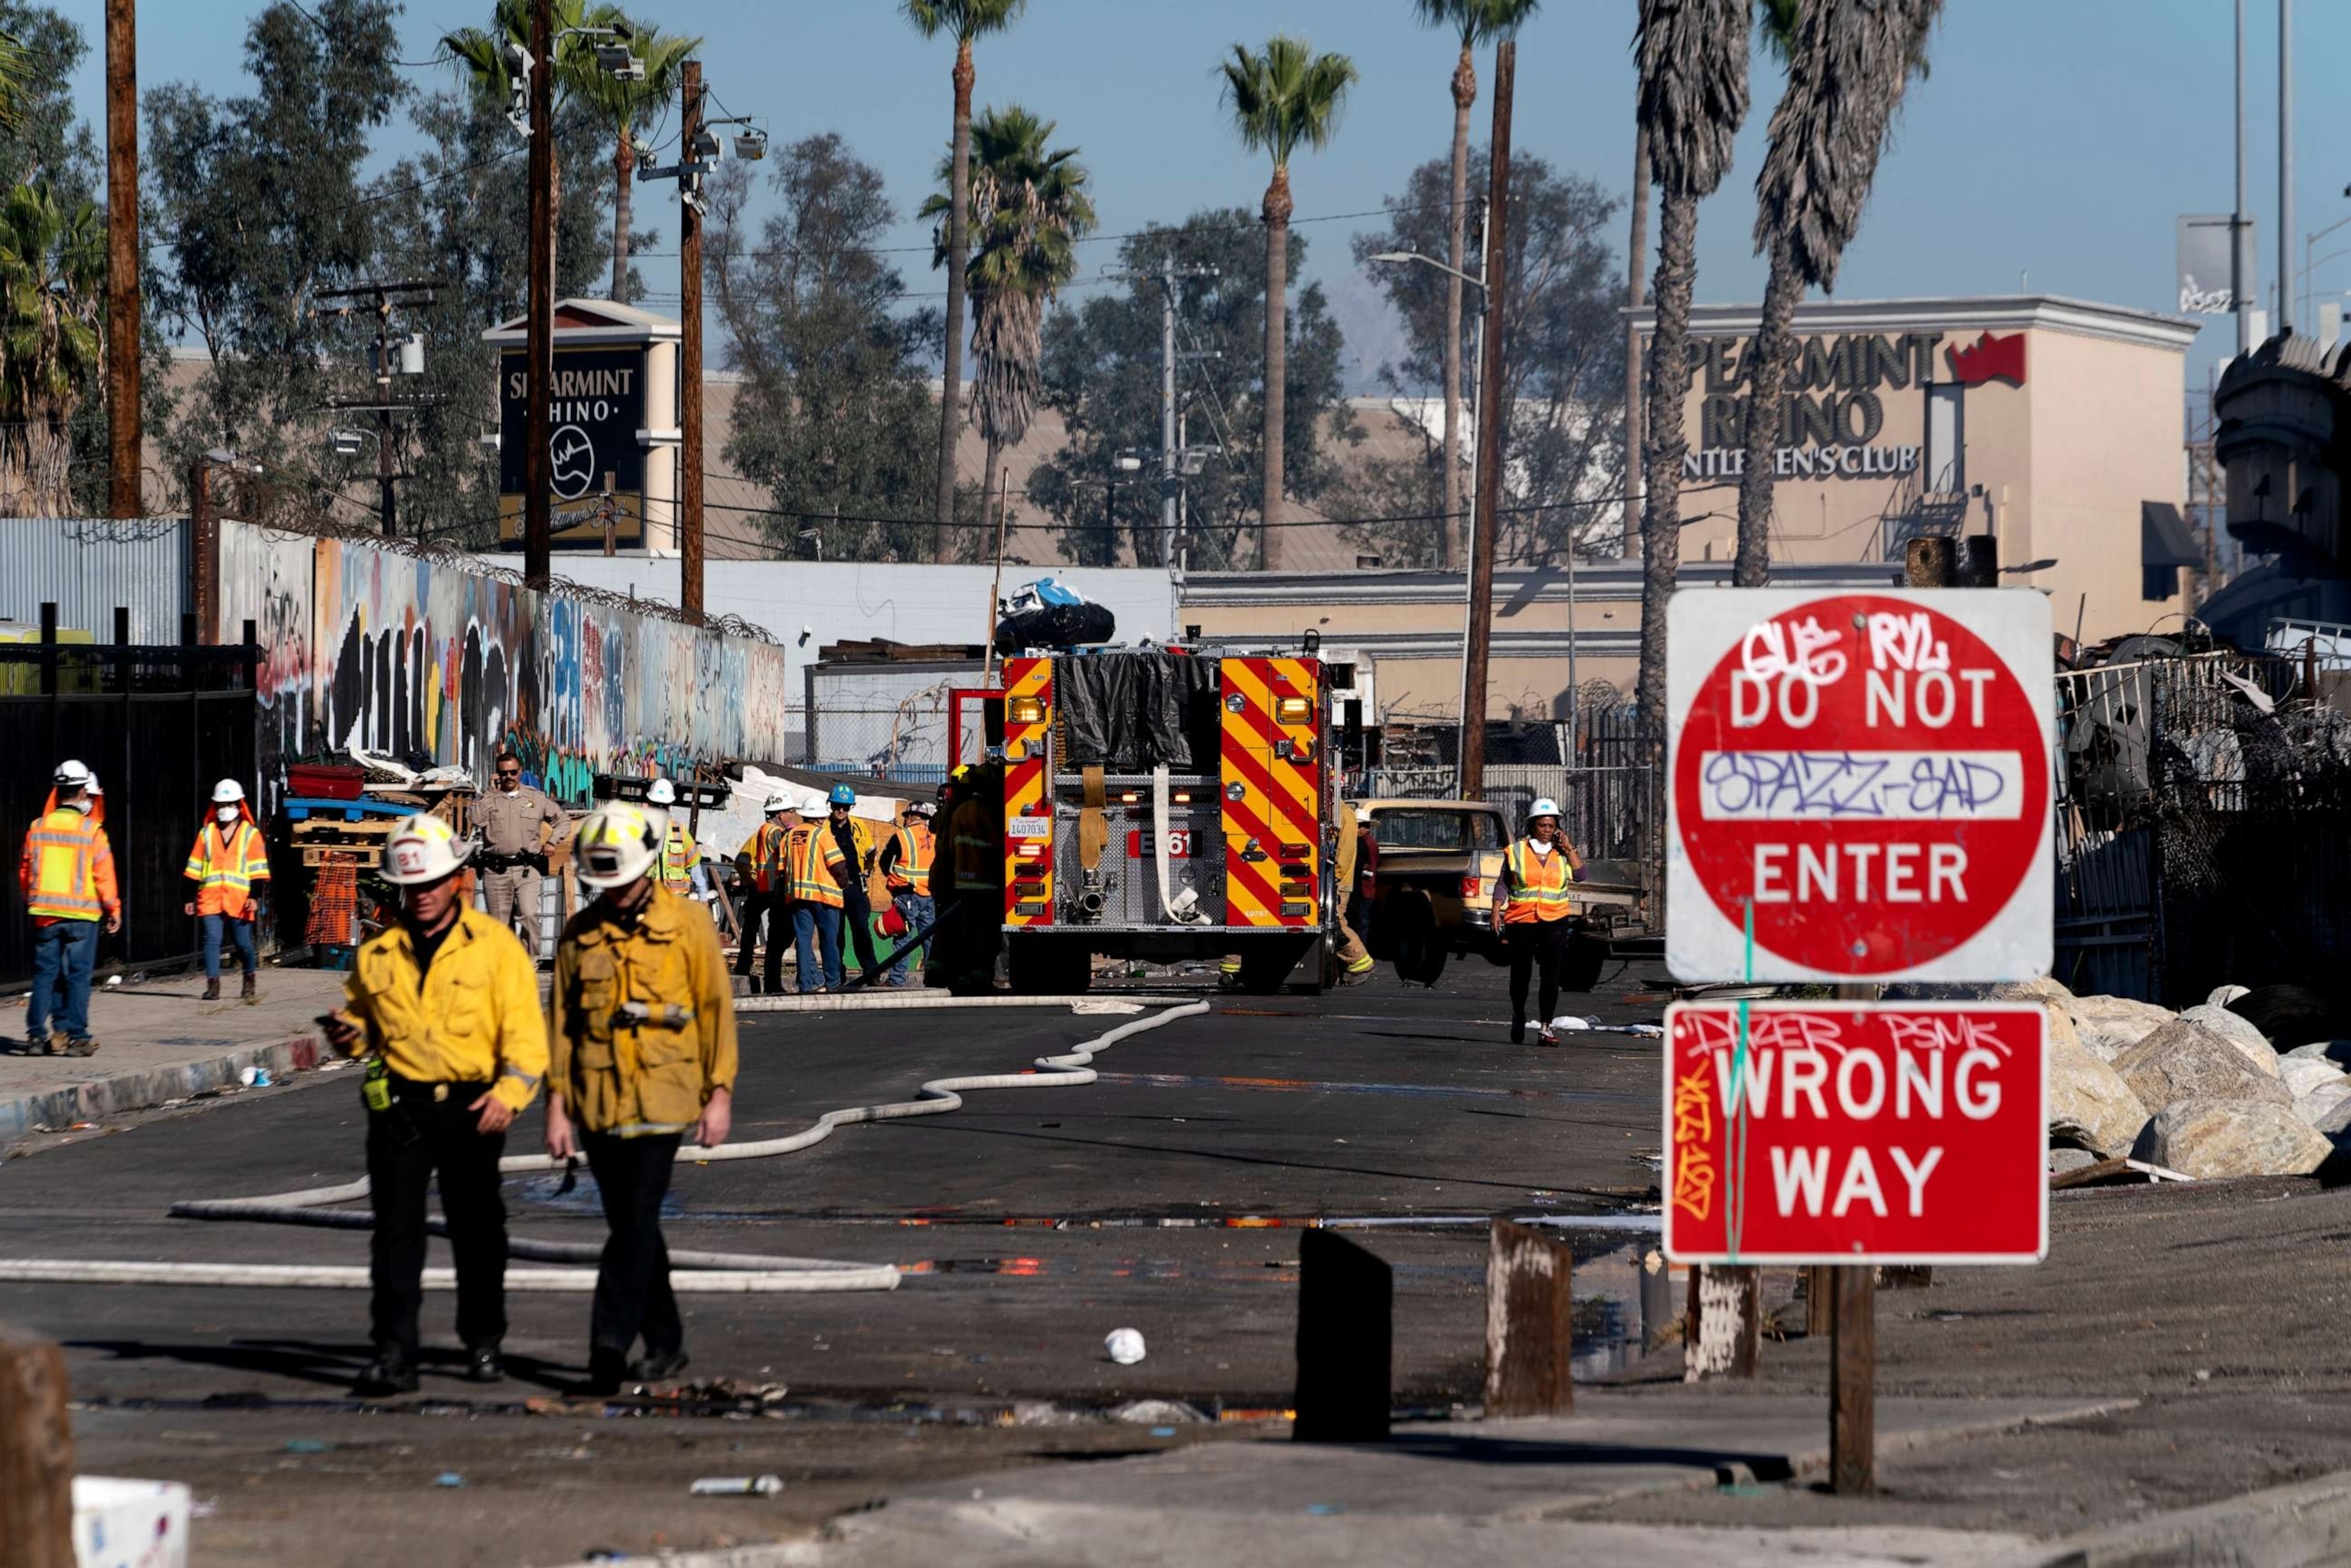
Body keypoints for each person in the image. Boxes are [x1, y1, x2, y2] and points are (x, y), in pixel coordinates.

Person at [321, 815, 546, 1394]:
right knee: (395, 1233)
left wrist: (509, 1094)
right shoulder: (378, 954)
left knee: (478, 1231)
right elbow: (370, 1028)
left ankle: (484, 1342)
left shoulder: (495, 947)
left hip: (474, 1107)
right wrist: (349, 1035)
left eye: (431, 883)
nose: (420, 895)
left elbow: (525, 1034)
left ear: (455, 880)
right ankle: (395, 1353)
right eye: (410, 886)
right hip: (400, 1108)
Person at [544, 801, 737, 1396]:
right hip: (599, 1096)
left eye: (622, 879)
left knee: (633, 1221)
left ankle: (607, 1343)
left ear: (645, 869)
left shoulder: (688, 925)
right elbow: (563, 1024)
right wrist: (557, 1103)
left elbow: (715, 1011)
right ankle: (667, 1341)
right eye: (604, 881)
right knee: (636, 1225)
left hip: (665, 1094)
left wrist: (719, 1093)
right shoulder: (580, 934)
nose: (615, 892)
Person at [20, 760, 121, 1056]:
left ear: (58, 790)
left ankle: (36, 1037)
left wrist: (31, 897)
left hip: (45, 915)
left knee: (45, 976)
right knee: (78, 977)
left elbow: (25, 870)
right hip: (81, 916)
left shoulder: (37, 827)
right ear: (81, 791)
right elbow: (104, 875)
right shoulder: (91, 830)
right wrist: (113, 908)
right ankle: (78, 1038)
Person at [1490, 797, 1585, 1047]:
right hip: (1521, 919)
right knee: (1521, 972)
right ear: (1532, 826)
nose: (1547, 830)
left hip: (1554, 920)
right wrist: (1496, 908)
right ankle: (1518, 1014)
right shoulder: (1517, 851)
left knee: (1551, 975)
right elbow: (1504, 882)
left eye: (1551, 825)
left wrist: (1570, 847)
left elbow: (1581, 875)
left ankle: (1545, 1026)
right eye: (1542, 825)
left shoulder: (1562, 852)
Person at [475, 748, 568, 963]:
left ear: (520, 772)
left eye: (513, 772)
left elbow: (562, 820)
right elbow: (475, 818)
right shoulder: (488, 799)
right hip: (496, 869)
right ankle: (504, 967)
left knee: (528, 915)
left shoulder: (535, 798)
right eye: (503, 773)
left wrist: (552, 841)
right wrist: (490, 793)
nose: (508, 777)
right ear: (497, 774)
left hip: (527, 869)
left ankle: (528, 965)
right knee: (499, 924)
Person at [183, 778, 270, 1002]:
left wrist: (255, 897)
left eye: (229, 804)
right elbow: (194, 865)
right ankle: (213, 986)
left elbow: (258, 869)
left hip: (239, 900)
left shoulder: (250, 835)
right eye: (220, 805)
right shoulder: (206, 834)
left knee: (243, 944)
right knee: (211, 939)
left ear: (239, 805)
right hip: (211, 897)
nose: (224, 809)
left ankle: (249, 980)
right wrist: (188, 897)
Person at [817, 783, 882, 984]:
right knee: (836, 935)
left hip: (855, 887)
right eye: (838, 805)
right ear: (831, 805)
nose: (841, 810)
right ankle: (837, 976)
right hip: (833, 888)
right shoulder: (823, 829)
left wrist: (868, 870)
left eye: (845, 807)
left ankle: (872, 974)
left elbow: (871, 850)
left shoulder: (858, 826)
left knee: (862, 931)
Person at [732, 793, 796, 993]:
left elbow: (741, 861)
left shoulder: (760, 832)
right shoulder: (776, 833)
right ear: (779, 814)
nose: (793, 815)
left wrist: (750, 880)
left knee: (750, 928)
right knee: (780, 937)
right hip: (775, 890)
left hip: (759, 888)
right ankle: (772, 981)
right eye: (790, 812)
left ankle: (744, 965)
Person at [785, 791, 845, 993]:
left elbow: (780, 869)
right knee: (829, 940)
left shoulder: (790, 836)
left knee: (803, 940)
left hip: (797, 896)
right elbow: (837, 865)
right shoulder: (823, 834)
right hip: (824, 896)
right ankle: (833, 982)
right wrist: (845, 883)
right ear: (821, 817)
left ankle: (806, 984)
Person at [878, 800, 934, 988]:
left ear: (909, 817)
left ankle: (897, 980)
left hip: (907, 894)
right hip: (930, 895)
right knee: (930, 940)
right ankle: (932, 979)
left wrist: (895, 881)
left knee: (903, 938)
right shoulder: (934, 836)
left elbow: (885, 863)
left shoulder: (901, 837)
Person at [644, 777, 707, 901]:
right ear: (650, 804)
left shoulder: (680, 832)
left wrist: (703, 896)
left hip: (677, 902)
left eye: (664, 806)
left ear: (670, 806)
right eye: (657, 805)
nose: (660, 809)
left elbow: (694, 866)